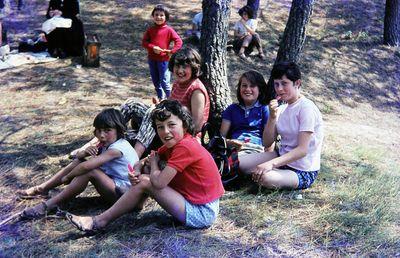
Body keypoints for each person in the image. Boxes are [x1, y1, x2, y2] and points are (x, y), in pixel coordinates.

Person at [66, 100, 224, 233]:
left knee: (147, 179)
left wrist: (154, 165)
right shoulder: (174, 144)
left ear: (184, 126)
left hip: (203, 212)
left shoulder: (185, 146)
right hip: (193, 202)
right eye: (160, 127)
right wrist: (136, 170)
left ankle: (98, 222)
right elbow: (142, 162)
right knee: (146, 172)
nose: (165, 131)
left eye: (171, 125)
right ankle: (133, 203)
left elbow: (159, 183)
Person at [18, 108, 139, 219]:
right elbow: (79, 159)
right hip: (116, 188)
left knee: (90, 171)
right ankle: (42, 189)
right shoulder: (107, 143)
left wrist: (68, 177)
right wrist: (84, 152)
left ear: (119, 130)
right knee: (78, 162)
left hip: (126, 197)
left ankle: (49, 205)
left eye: (107, 130)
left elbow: (87, 166)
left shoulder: (117, 149)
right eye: (99, 130)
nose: (102, 135)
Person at [238, 62, 324, 190]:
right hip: (280, 157)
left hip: (302, 169)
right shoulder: (282, 109)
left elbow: (302, 150)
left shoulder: (306, 108)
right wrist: (272, 117)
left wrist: (270, 164)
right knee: (238, 164)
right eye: (276, 84)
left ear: (297, 83)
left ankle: (264, 176)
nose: (279, 89)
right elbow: (267, 143)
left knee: (265, 178)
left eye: (284, 83)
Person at [119, 46, 210, 158]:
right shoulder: (178, 83)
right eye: (177, 65)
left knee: (153, 113)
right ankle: (100, 138)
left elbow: (196, 126)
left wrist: (166, 117)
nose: (180, 70)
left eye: (185, 67)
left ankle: (134, 159)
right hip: (164, 126)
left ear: (194, 68)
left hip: (178, 134)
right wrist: (162, 104)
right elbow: (171, 107)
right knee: (132, 105)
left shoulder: (196, 90)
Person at [220, 70, 274, 155]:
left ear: (260, 90)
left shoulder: (264, 109)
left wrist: (268, 158)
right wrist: (229, 142)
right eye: (244, 86)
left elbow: (270, 139)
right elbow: (221, 138)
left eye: (252, 86)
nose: (247, 89)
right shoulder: (232, 109)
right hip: (235, 149)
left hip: (255, 149)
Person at [142, 4, 183, 100]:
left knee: (164, 81)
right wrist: (152, 47)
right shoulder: (150, 30)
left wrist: (172, 51)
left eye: (161, 15)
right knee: (156, 81)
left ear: (166, 17)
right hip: (152, 59)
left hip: (164, 60)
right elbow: (144, 42)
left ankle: (171, 100)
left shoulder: (169, 30)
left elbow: (179, 41)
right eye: (156, 15)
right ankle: (161, 98)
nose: (158, 17)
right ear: (153, 16)